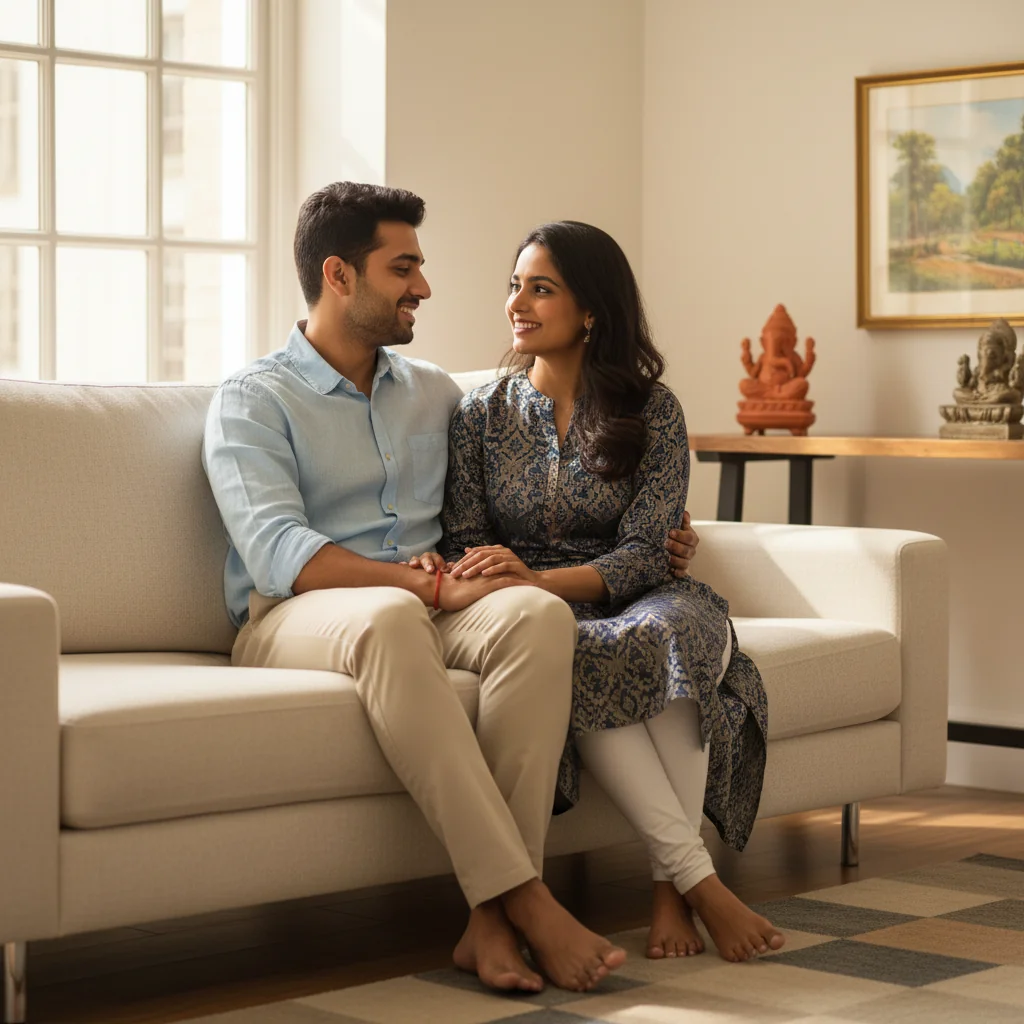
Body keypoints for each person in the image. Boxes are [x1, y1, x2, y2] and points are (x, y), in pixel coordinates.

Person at [202, 182, 696, 993]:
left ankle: (485, 925)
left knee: (537, 615)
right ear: (339, 275)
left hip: (431, 601)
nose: (424, 288)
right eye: (404, 268)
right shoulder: (254, 399)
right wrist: (416, 586)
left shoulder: (436, 393)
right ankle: (526, 900)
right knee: (393, 617)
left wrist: (666, 537)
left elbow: (535, 479)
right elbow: (277, 552)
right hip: (295, 619)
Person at [438, 220, 785, 963]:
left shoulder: (654, 411)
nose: (516, 303)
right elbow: (464, 538)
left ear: (590, 309)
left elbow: (645, 549)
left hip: (643, 593)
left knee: (669, 636)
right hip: (541, 613)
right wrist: (518, 584)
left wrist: (538, 576)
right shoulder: (480, 414)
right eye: (513, 285)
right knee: (577, 648)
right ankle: (699, 884)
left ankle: (668, 892)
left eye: (540, 288)